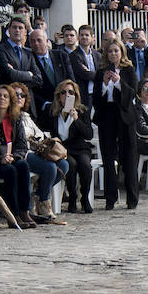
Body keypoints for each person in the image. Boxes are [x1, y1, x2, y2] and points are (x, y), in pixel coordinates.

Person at [0, 85, 35, 228]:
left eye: (5, 96)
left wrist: (14, 157)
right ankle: (13, 214)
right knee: (10, 171)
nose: (2, 99)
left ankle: (24, 211)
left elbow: (22, 146)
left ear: (11, 101)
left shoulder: (15, 119)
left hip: (11, 159)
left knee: (22, 165)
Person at [92, 39, 140, 210]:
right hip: (107, 115)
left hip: (125, 116)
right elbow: (96, 99)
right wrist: (105, 85)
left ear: (122, 53)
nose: (113, 54)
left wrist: (119, 82)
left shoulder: (129, 70)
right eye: (110, 51)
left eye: (116, 51)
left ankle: (132, 198)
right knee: (108, 158)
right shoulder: (101, 72)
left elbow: (133, 92)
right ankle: (110, 198)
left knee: (129, 158)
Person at [12, 83, 68, 220]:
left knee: (64, 165)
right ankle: (44, 201)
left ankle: (37, 194)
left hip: (36, 151)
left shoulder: (26, 116)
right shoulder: (11, 116)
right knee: (49, 167)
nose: (19, 97)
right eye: (16, 95)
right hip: (22, 153)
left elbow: (40, 134)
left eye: (23, 95)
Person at [45, 80, 94, 213]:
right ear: (58, 95)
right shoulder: (52, 112)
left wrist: (76, 119)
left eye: (70, 92)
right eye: (63, 92)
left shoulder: (83, 111)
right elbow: (45, 131)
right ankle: (72, 197)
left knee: (85, 164)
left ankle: (85, 198)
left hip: (80, 147)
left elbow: (89, 134)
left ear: (75, 95)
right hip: (62, 149)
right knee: (70, 164)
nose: (67, 95)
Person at [0, 17, 42, 100]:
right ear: (9, 31)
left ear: (25, 32)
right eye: (14, 27)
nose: (17, 30)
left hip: (27, 102)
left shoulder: (29, 53)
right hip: (8, 100)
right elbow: (8, 75)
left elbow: (39, 79)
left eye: (20, 28)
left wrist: (15, 73)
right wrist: (29, 74)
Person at [29, 28, 74, 111]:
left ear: (47, 41)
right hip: (44, 109)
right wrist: (44, 104)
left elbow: (71, 81)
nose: (36, 43)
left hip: (65, 106)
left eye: (39, 40)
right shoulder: (28, 60)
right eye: (32, 41)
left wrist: (69, 107)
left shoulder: (61, 55)